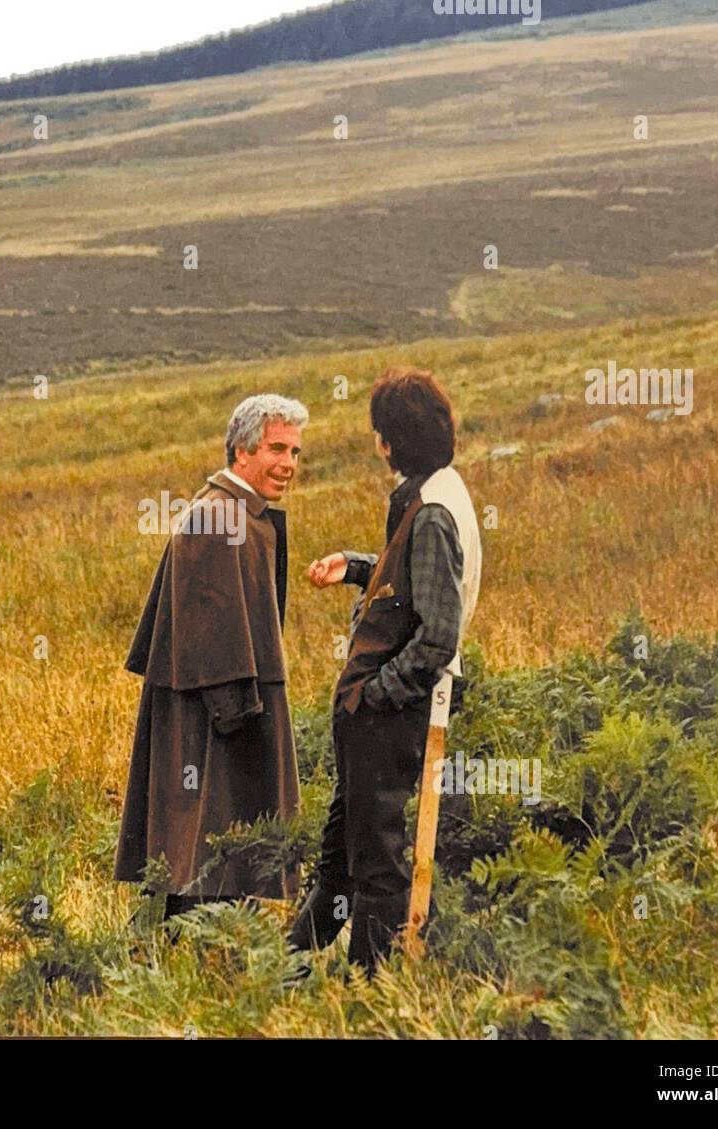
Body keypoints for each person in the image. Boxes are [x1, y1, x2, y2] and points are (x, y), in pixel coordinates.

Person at [287, 367, 480, 976]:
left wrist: (376, 694)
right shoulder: (441, 492)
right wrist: (355, 566)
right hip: (384, 712)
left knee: (376, 863)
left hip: (392, 715)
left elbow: (437, 635)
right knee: (344, 851)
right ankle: (286, 971)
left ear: (389, 443)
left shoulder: (430, 513)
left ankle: (370, 989)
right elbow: (417, 584)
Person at [115, 394, 308, 919]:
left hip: (229, 711)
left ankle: (188, 947)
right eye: (276, 449)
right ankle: (177, 953)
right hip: (216, 717)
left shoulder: (236, 513)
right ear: (241, 451)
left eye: (294, 451)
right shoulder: (216, 517)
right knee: (202, 838)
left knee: (207, 842)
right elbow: (206, 635)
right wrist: (243, 725)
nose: (288, 464)